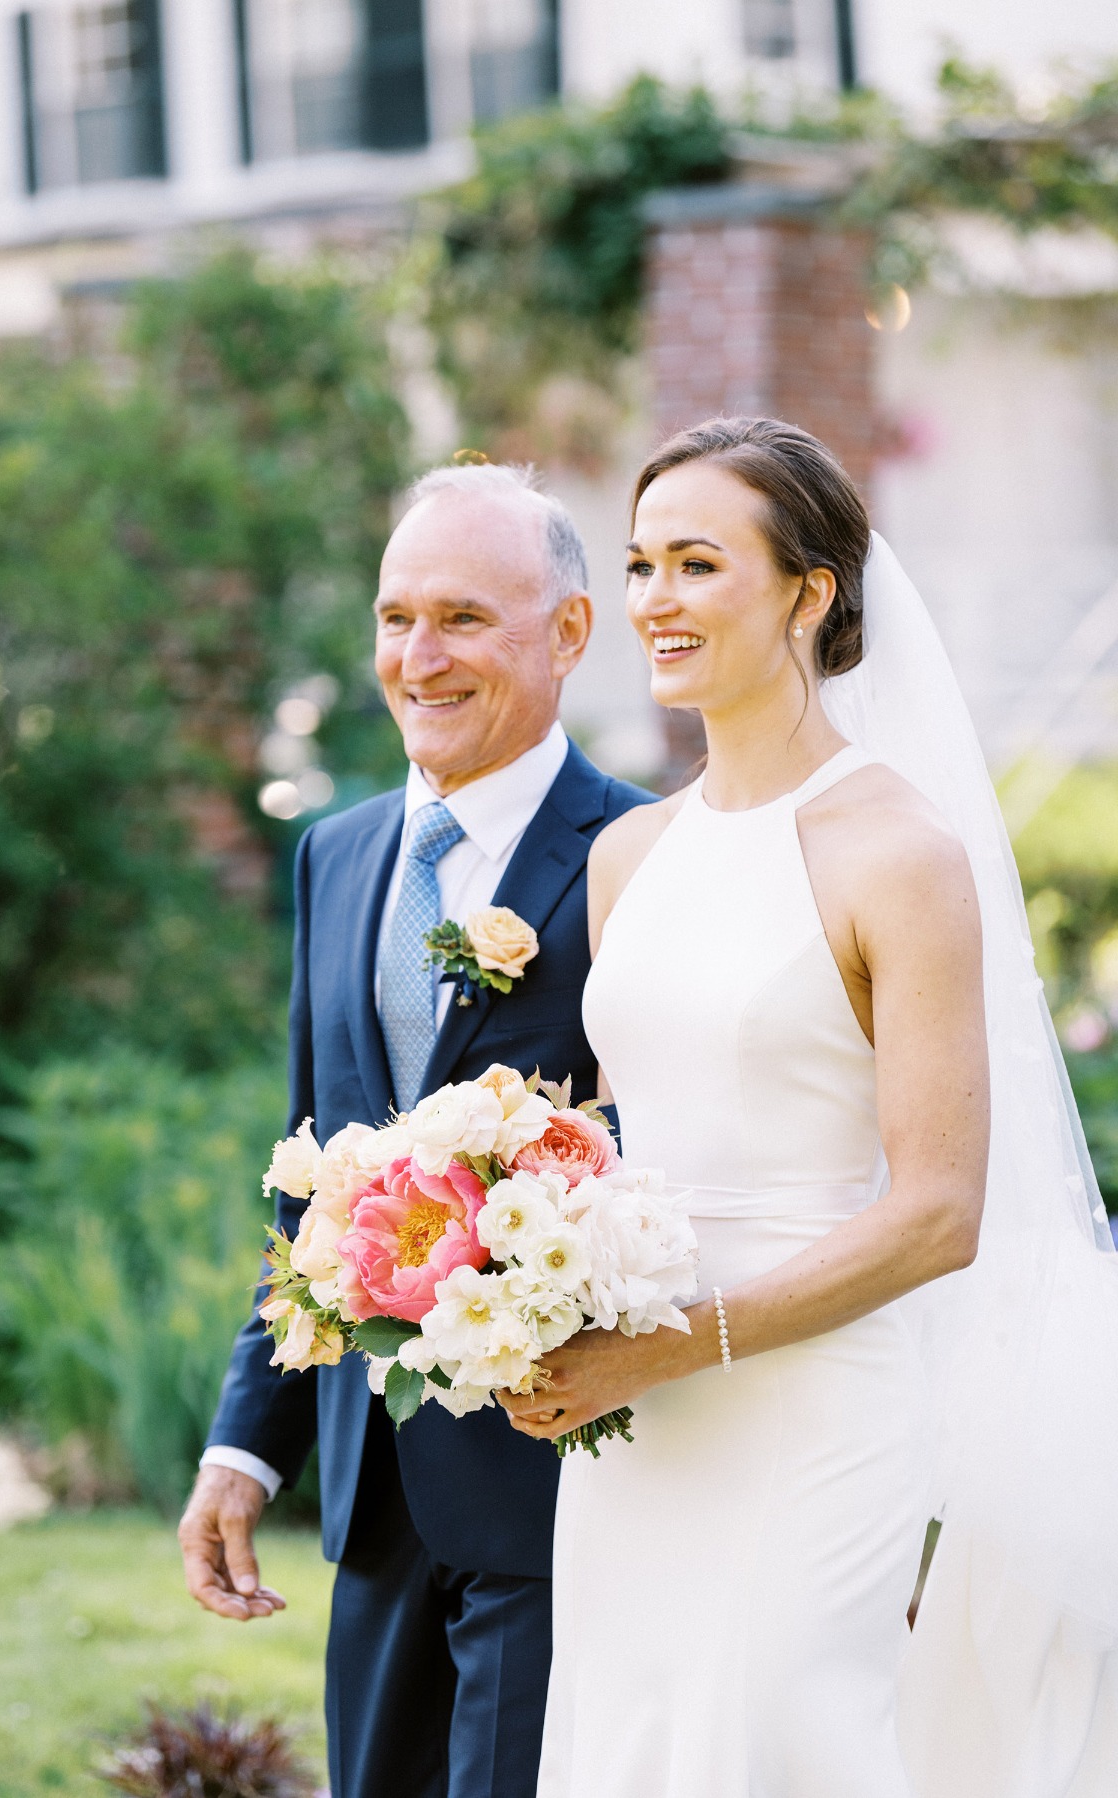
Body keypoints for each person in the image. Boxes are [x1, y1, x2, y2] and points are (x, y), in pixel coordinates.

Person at [503, 416, 1118, 1796]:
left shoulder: (896, 851)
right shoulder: (628, 856)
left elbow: (938, 1211)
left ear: (809, 589)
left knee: (779, 1739)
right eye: (643, 563)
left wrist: (683, 1343)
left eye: (699, 564)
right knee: (631, 1746)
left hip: (814, 1409)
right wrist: (501, 1260)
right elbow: (617, 1143)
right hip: (631, 1419)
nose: (655, 601)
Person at [178, 462, 654, 1798]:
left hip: (563, 1487)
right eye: (395, 617)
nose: (416, 656)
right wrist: (247, 1439)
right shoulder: (335, 854)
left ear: (567, 633)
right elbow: (313, 1173)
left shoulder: (641, 853)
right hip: (374, 1494)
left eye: (461, 617)